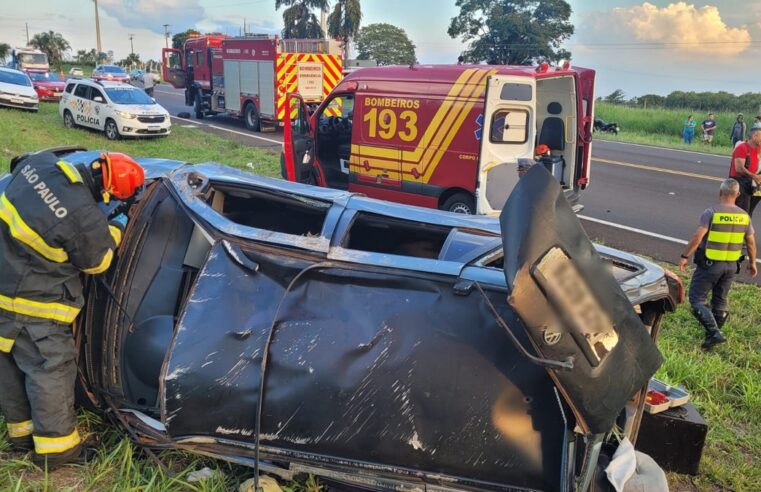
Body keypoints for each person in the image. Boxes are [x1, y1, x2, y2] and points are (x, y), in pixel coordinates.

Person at [0, 151, 144, 468]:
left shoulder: (39, 165)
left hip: (3, 288)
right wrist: (118, 222)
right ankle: (58, 452)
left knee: (9, 367)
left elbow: (18, 167)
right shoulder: (82, 215)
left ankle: (21, 437)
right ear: (106, 195)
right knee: (49, 372)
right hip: (34, 306)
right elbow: (99, 262)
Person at [679, 179, 757, 349]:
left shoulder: (711, 212)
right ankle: (711, 337)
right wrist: (752, 263)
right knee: (720, 301)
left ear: (720, 193)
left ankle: (714, 333)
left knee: (696, 299)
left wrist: (685, 256)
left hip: (711, 264)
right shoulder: (744, 217)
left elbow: (697, 237)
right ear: (738, 194)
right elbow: (751, 243)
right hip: (731, 266)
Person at [729, 126, 761, 216]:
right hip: (739, 182)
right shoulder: (742, 148)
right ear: (754, 136)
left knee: (749, 210)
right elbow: (739, 168)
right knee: (742, 210)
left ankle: (746, 228)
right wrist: (755, 176)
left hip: (751, 181)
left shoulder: (758, 148)